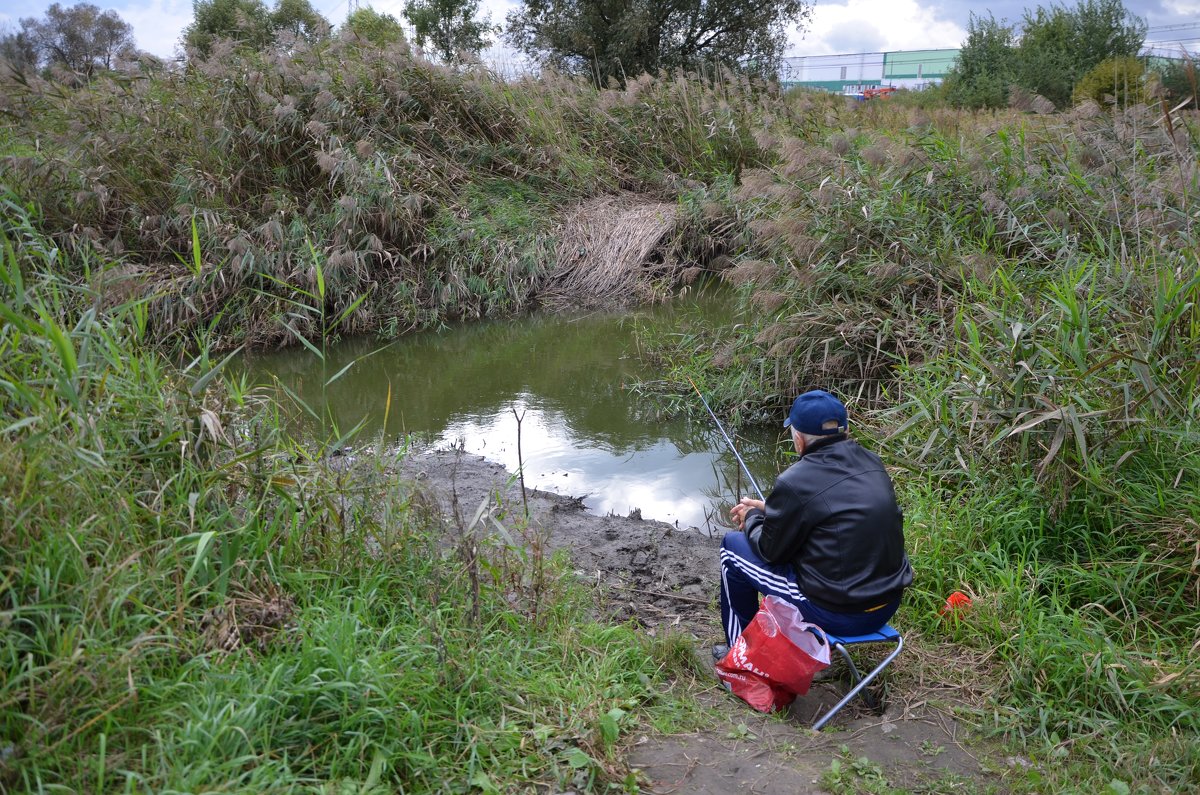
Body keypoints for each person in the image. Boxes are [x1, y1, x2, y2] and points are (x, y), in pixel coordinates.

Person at [716, 390, 913, 655]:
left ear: (798, 439)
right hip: (887, 604)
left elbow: (770, 552)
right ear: (846, 429)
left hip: (838, 614)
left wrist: (751, 517)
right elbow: (831, 515)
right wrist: (771, 509)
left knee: (731, 548)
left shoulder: (795, 479)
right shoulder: (872, 463)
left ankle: (740, 656)